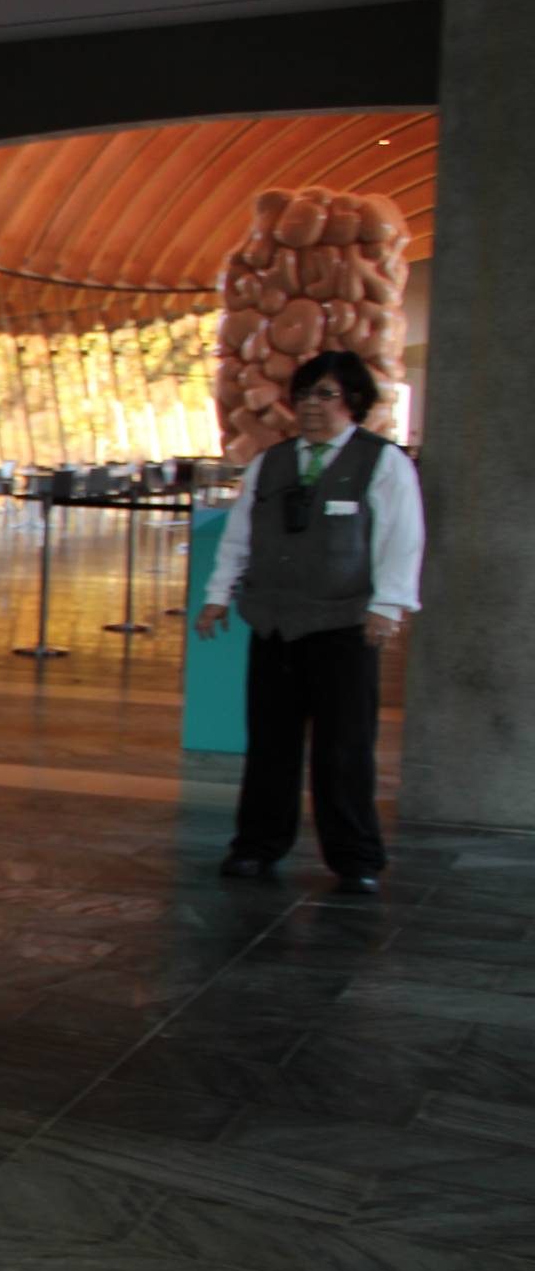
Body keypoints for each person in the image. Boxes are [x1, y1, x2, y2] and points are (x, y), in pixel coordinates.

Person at [196, 350, 424, 896]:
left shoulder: (382, 462)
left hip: (344, 625)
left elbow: (402, 538)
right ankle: (256, 846)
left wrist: (387, 606)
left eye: (326, 394)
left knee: (344, 746)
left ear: (354, 401)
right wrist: (217, 595)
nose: (312, 406)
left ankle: (355, 857)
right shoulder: (271, 463)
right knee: (270, 743)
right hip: (275, 623)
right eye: (304, 395)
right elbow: (239, 536)